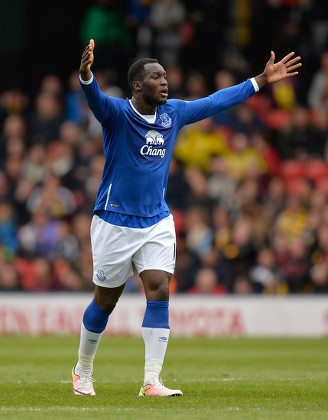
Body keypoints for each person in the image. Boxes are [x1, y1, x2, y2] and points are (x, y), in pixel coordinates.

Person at [72, 38, 301, 397]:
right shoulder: (117, 114)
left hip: (157, 220)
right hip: (114, 220)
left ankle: (151, 380)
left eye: (165, 76)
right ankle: (82, 370)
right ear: (137, 85)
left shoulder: (172, 113)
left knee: (160, 288)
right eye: (156, 77)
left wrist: (259, 80)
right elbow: (94, 99)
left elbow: (214, 102)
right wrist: (86, 73)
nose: (164, 82)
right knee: (106, 300)